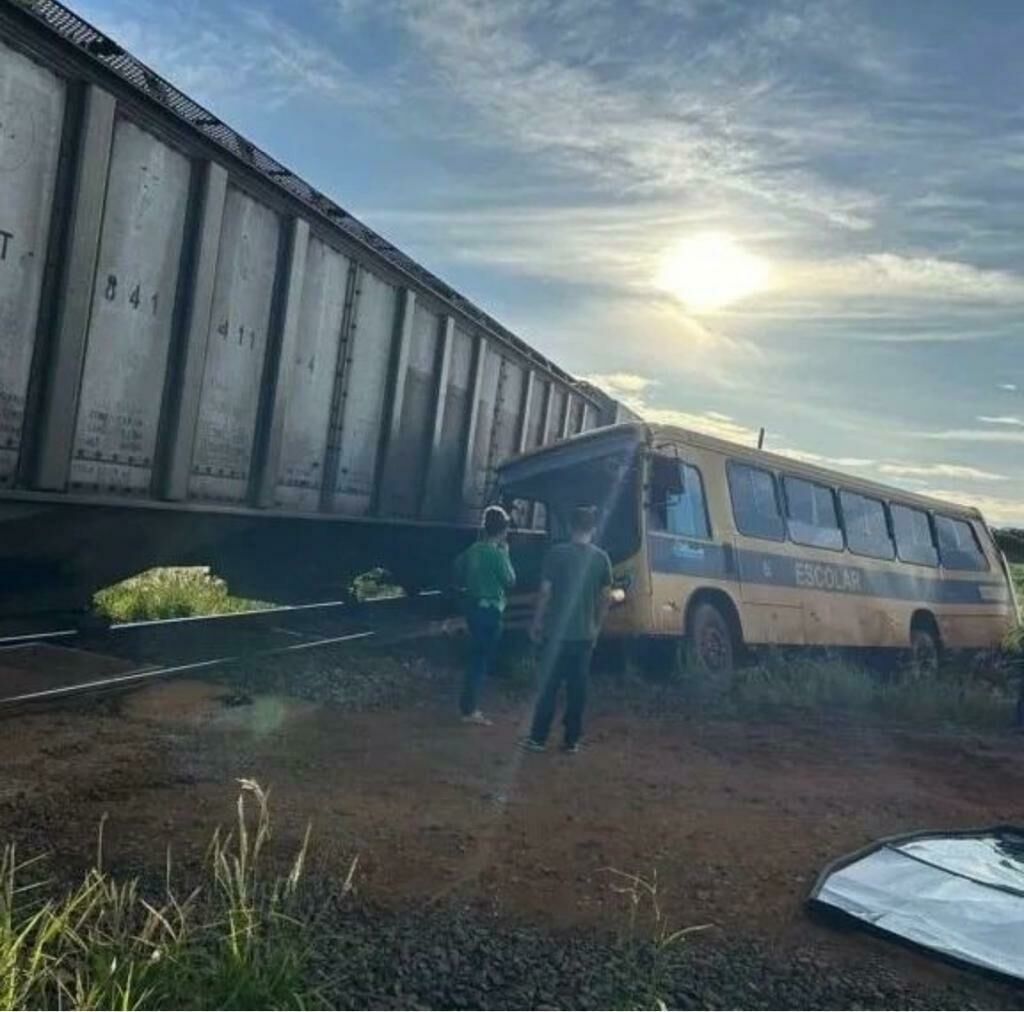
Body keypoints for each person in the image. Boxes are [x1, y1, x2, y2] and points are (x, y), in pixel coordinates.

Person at [522, 505, 612, 753]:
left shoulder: (556, 554)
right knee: (577, 690)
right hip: (584, 635)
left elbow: (545, 593)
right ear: (593, 529)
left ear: (570, 527)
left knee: (548, 687)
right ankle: (571, 740)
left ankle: (538, 738)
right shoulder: (601, 558)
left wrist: (537, 622)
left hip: (555, 634)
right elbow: (606, 597)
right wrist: (596, 626)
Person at [452, 505, 516, 725]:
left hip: (473, 608)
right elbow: (510, 580)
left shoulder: (472, 550)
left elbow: (457, 570)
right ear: (502, 530)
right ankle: (469, 710)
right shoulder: (498, 554)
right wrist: (505, 554)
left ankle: (468, 706)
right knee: (480, 661)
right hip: (491, 611)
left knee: (476, 658)